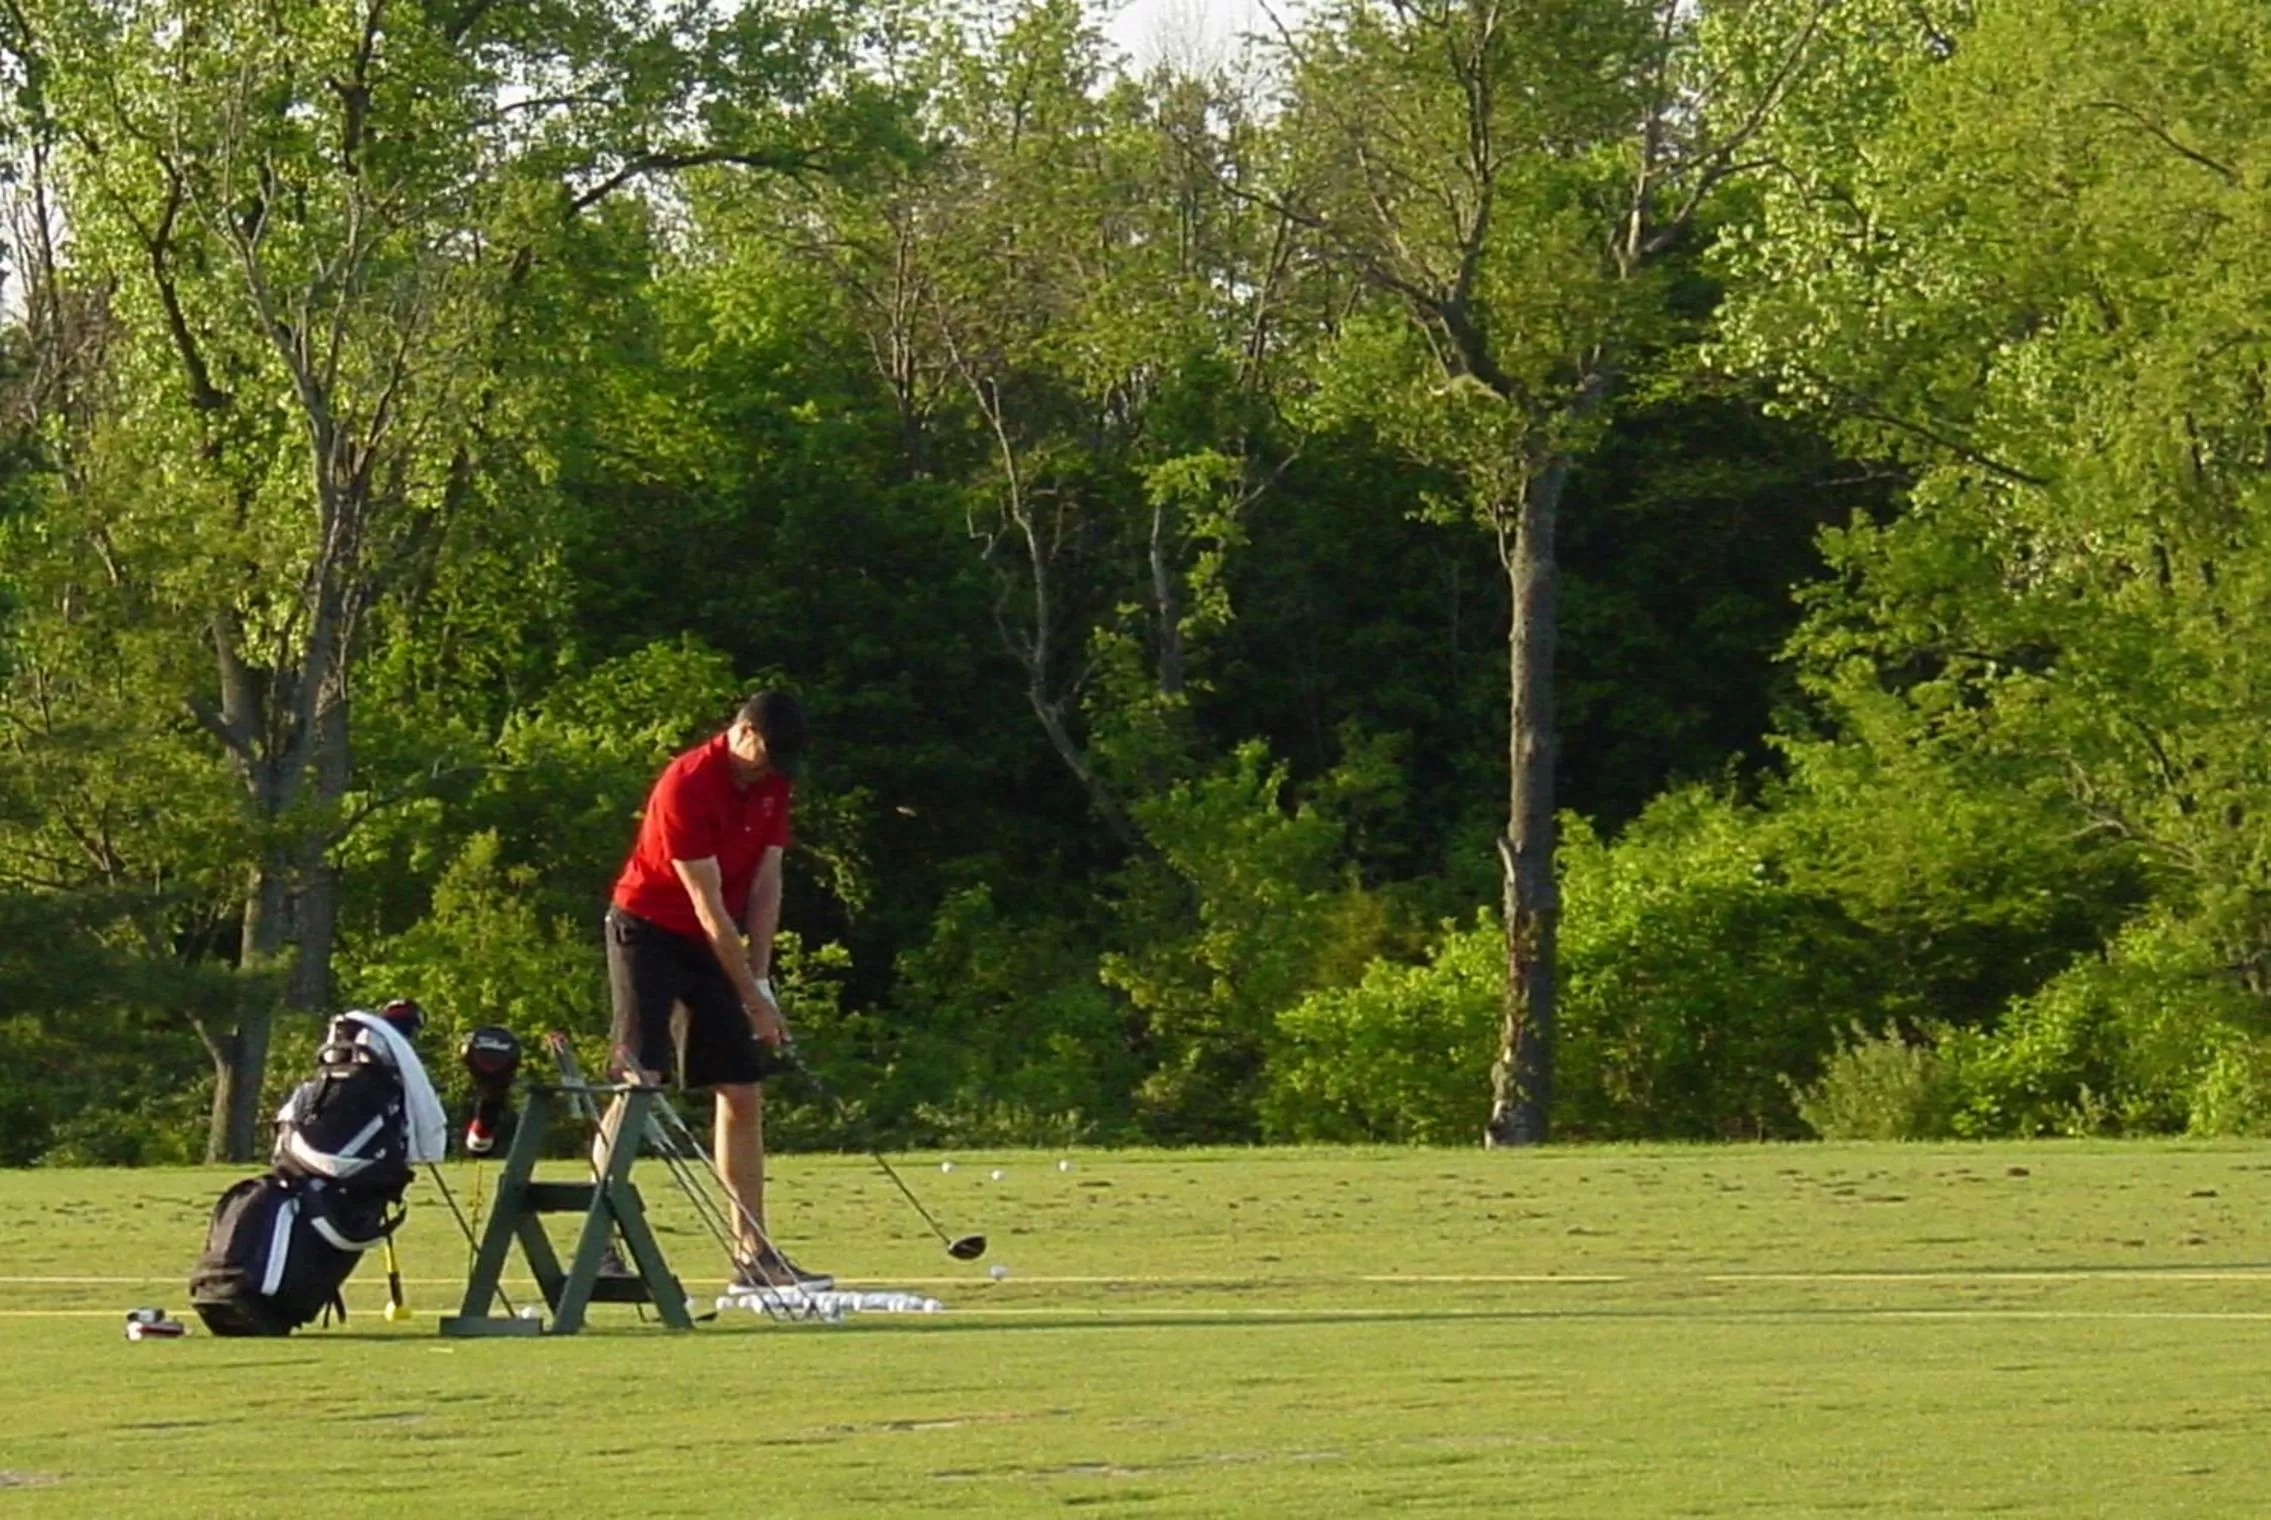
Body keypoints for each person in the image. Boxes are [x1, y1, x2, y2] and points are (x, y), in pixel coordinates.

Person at [599, 689, 830, 1291]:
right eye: (768, 755)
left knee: (742, 1089)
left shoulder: (772, 781)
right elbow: (707, 908)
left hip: (712, 939)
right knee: (638, 1083)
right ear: (744, 730)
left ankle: (753, 1257)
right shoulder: (686, 784)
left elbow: (765, 884)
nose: (773, 770)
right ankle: (602, 1243)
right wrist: (751, 1000)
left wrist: (761, 979)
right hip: (646, 931)